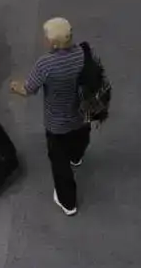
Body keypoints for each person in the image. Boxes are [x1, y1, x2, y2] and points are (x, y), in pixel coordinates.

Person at [10, 16, 90, 216]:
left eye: (45, 36)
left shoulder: (45, 64)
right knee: (80, 137)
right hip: (81, 114)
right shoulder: (83, 53)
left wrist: (15, 86)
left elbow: (28, 89)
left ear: (54, 42)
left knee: (59, 163)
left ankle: (67, 202)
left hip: (57, 122)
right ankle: (77, 156)